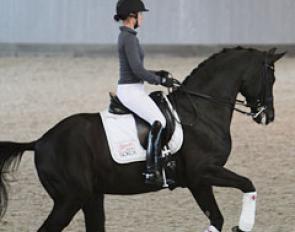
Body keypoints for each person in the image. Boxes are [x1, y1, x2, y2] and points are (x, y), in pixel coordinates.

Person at [114, 0, 176, 185]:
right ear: (133, 16)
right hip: (131, 90)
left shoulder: (127, 35)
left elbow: (139, 68)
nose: (142, 17)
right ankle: (152, 170)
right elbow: (138, 71)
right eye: (140, 14)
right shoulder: (129, 38)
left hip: (133, 88)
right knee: (160, 121)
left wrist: (158, 73)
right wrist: (160, 81)